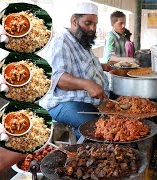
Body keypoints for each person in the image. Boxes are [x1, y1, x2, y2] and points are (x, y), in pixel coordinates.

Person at [39, 1, 110, 138]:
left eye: (95, 24)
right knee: (96, 129)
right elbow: (57, 77)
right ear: (74, 21)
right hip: (62, 104)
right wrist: (86, 84)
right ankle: (85, 153)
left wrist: (104, 66)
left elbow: (82, 65)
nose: (92, 28)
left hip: (90, 101)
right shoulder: (61, 42)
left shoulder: (82, 41)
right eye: (87, 23)